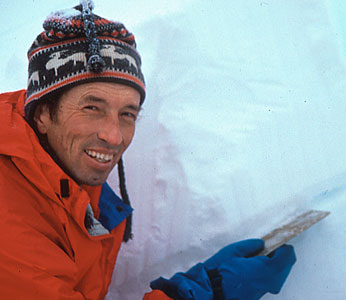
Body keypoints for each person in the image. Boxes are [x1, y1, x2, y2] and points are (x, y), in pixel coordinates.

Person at [0, 2, 296, 299]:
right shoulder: (10, 220)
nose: (114, 136)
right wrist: (207, 293)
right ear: (41, 115)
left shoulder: (57, 172)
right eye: (92, 107)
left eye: (127, 114)